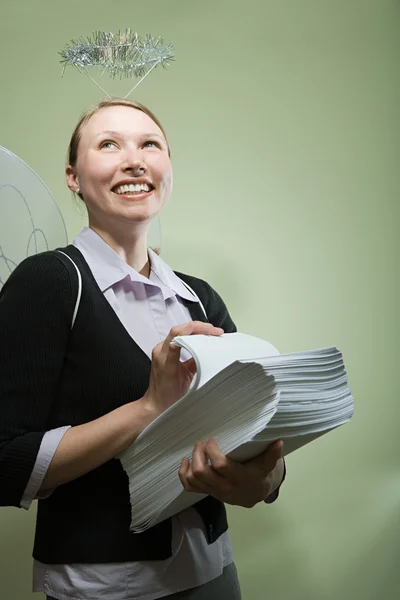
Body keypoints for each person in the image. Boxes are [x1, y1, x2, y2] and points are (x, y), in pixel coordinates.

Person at [0, 98, 285, 600]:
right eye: (108, 144)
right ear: (72, 176)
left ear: (167, 168)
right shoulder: (49, 282)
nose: (134, 160)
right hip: (104, 586)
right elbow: (5, 462)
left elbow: (252, 427)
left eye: (149, 144)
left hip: (214, 572)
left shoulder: (199, 297)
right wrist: (150, 408)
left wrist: (260, 481)